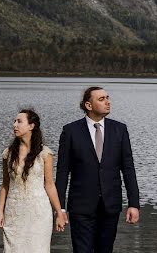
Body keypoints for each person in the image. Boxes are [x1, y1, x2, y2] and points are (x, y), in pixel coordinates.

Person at [56, 86, 140, 253]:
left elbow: (128, 169)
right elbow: (63, 172)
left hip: (110, 205)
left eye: (108, 98)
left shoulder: (120, 129)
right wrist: (60, 208)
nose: (107, 102)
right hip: (81, 207)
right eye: (101, 99)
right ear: (88, 105)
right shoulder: (70, 131)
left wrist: (134, 204)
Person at [0, 108, 69, 252]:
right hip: (14, 212)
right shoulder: (8, 153)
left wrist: (59, 213)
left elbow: (49, 185)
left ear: (31, 126)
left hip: (39, 212)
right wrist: (0, 212)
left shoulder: (45, 153)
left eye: (19, 121)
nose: (14, 125)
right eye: (14, 121)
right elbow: (5, 185)